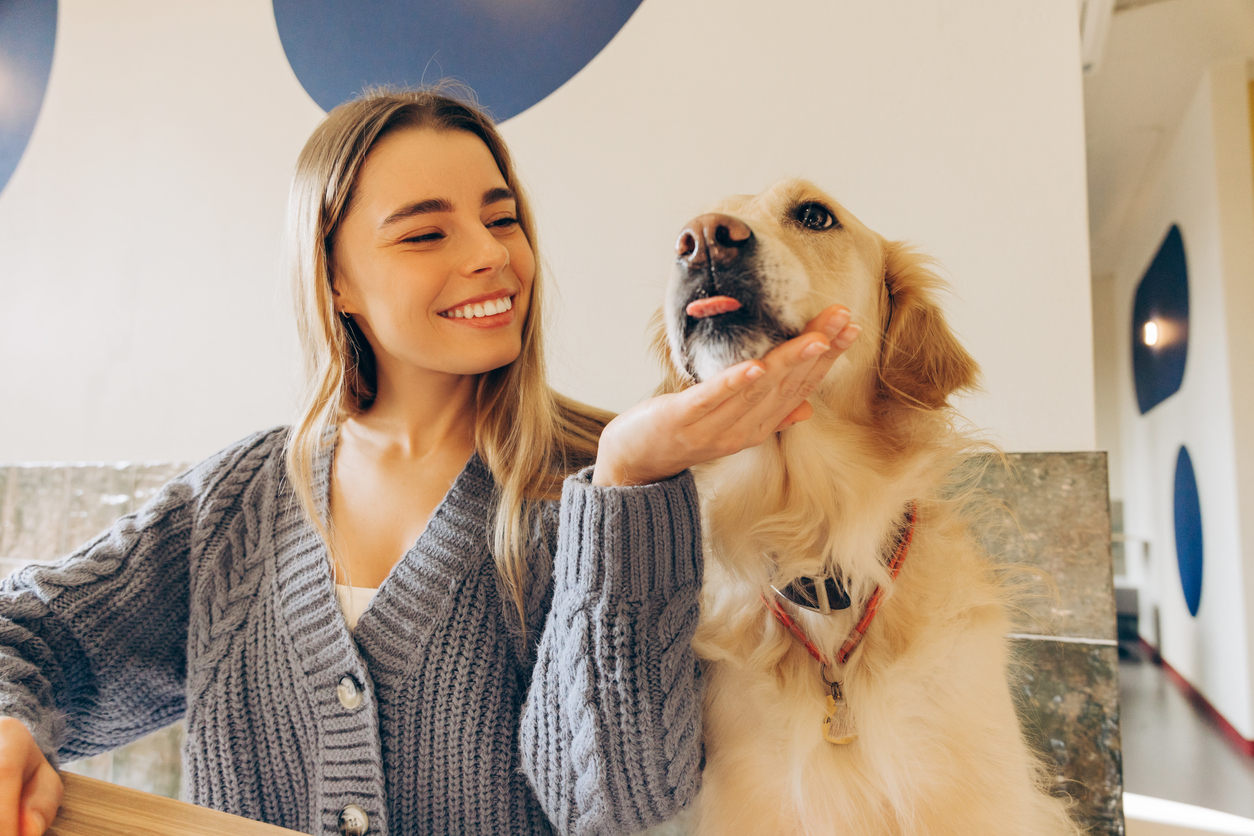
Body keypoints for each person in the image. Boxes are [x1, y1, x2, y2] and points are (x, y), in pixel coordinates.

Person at [0, 87, 860, 836]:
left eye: (502, 218)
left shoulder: (608, 491)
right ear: (334, 278)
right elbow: (29, 634)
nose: (490, 256)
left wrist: (629, 479)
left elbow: (613, 798)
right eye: (424, 235)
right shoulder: (237, 504)